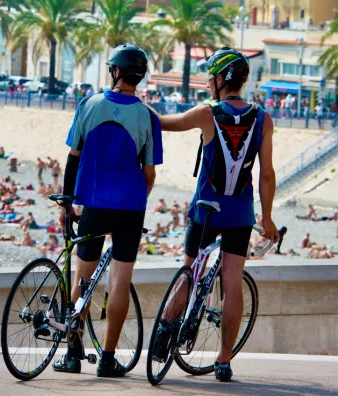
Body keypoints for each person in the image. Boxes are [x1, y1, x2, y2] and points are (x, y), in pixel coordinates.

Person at [148, 47, 279, 383]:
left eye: (211, 77)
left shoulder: (208, 114)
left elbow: (162, 123)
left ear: (222, 79)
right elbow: (266, 175)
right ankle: (223, 360)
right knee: (232, 283)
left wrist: (136, 102)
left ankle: (164, 332)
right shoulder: (263, 119)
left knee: (189, 271)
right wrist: (267, 219)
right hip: (240, 215)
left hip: (205, 210)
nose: (208, 83)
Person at [54, 44, 162, 378]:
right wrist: (135, 199)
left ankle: (73, 355)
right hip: (130, 207)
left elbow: (74, 156)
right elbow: (149, 175)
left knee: (82, 279)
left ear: (115, 72)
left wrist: (68, 202)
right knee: (119, 281)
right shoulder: (147, 116)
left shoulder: (90, 104)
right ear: (138, 76)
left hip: (94, 203)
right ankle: (108, 358)